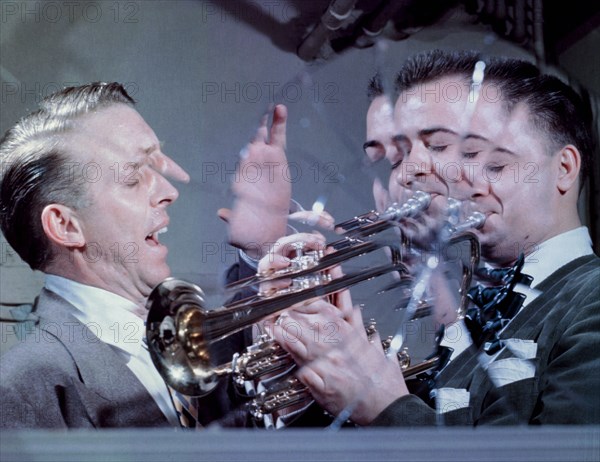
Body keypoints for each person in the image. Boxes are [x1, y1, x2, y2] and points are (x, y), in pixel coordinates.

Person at [265, 50, 600, 426]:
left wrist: (386, 408)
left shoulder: (588, 301)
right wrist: (301, 354)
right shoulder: (447, 318)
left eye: (461, 149)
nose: (409, 175)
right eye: (392, 160)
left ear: (564, 168)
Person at [0, 82, 214, 428]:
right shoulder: (24, 390)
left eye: (156, 166)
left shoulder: (188, 329)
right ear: (65, 226)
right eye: (132, 178)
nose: (170, 192)